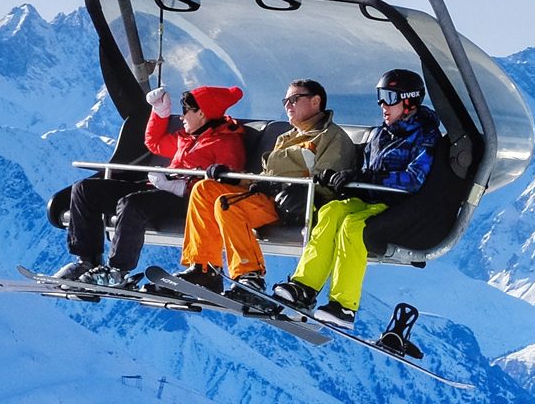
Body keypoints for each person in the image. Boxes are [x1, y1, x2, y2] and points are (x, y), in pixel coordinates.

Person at [272, 69, 441, 328]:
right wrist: (343, 177)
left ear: (409, 101)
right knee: (331, 212)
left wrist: (372, 179)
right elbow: (365, 169)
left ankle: (344, 306)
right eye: (379, 97)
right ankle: (304, 287)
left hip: (397, 206)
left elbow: (414, 179)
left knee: (353, 228)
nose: (382, 104)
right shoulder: (379, 134)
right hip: (368, 198)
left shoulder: (425, 136)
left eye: (389, 97)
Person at [173, 79, 358, 307]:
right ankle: (203, 269)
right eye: (285, 101)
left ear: (315, 101)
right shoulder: (286, 138)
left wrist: (292, 178)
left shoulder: (332, 138)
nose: (288, 105)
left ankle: (249, 276)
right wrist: (232, 176)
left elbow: (326, 181)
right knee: (204, 189)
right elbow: (265, 177)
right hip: (271, 196)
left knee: (227, 204)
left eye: (294, 99)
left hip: (297, 204)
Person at [53, 85, 246, 288]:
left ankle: (118, 270)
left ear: (201, 112)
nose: (182, 117)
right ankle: (87, 260)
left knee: (132, 204)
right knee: (85, 189)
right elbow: (154, 143)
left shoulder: (226, 142)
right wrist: (159, 113)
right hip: (159, 190)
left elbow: (226, 182)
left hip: (186, 201)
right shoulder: (187, 139)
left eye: (185, 111)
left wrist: (179, 187)